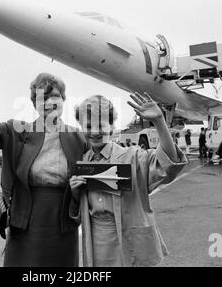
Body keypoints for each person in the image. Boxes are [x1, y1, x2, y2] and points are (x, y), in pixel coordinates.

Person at [0, 51, 88, 267]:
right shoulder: (16, 131)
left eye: (55, 96)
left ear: (63, 100)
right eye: (43, 97)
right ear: (34, 103)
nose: (50, 102)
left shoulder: (79, 137)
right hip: (26, 217)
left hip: (63, 217)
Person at [69, 93, 187, 267]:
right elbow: (78, 214)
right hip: (96, 243)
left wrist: (160, 122)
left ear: (111, 126)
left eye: (100, 125)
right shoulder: (81, 163)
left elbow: (168, 164)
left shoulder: (132, 156)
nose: (94, 132)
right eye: (88, 126)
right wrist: (75, 192)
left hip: (129, 240)